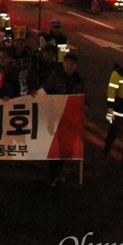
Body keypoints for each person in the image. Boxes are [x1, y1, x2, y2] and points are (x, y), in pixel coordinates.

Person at [41, 52, 86, 186]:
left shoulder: (79, 80)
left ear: (76, 66)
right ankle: (53, 175)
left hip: (70, 119)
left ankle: (59, 173)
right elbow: (45, 90)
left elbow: (83, 97)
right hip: (55, 117)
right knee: (56, 147)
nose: (69, 66)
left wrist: (86, 106)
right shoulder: (56, 77)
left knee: (66, 147)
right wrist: (33, 97)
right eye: (67, 62)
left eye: (72, 63)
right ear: (63, 63)